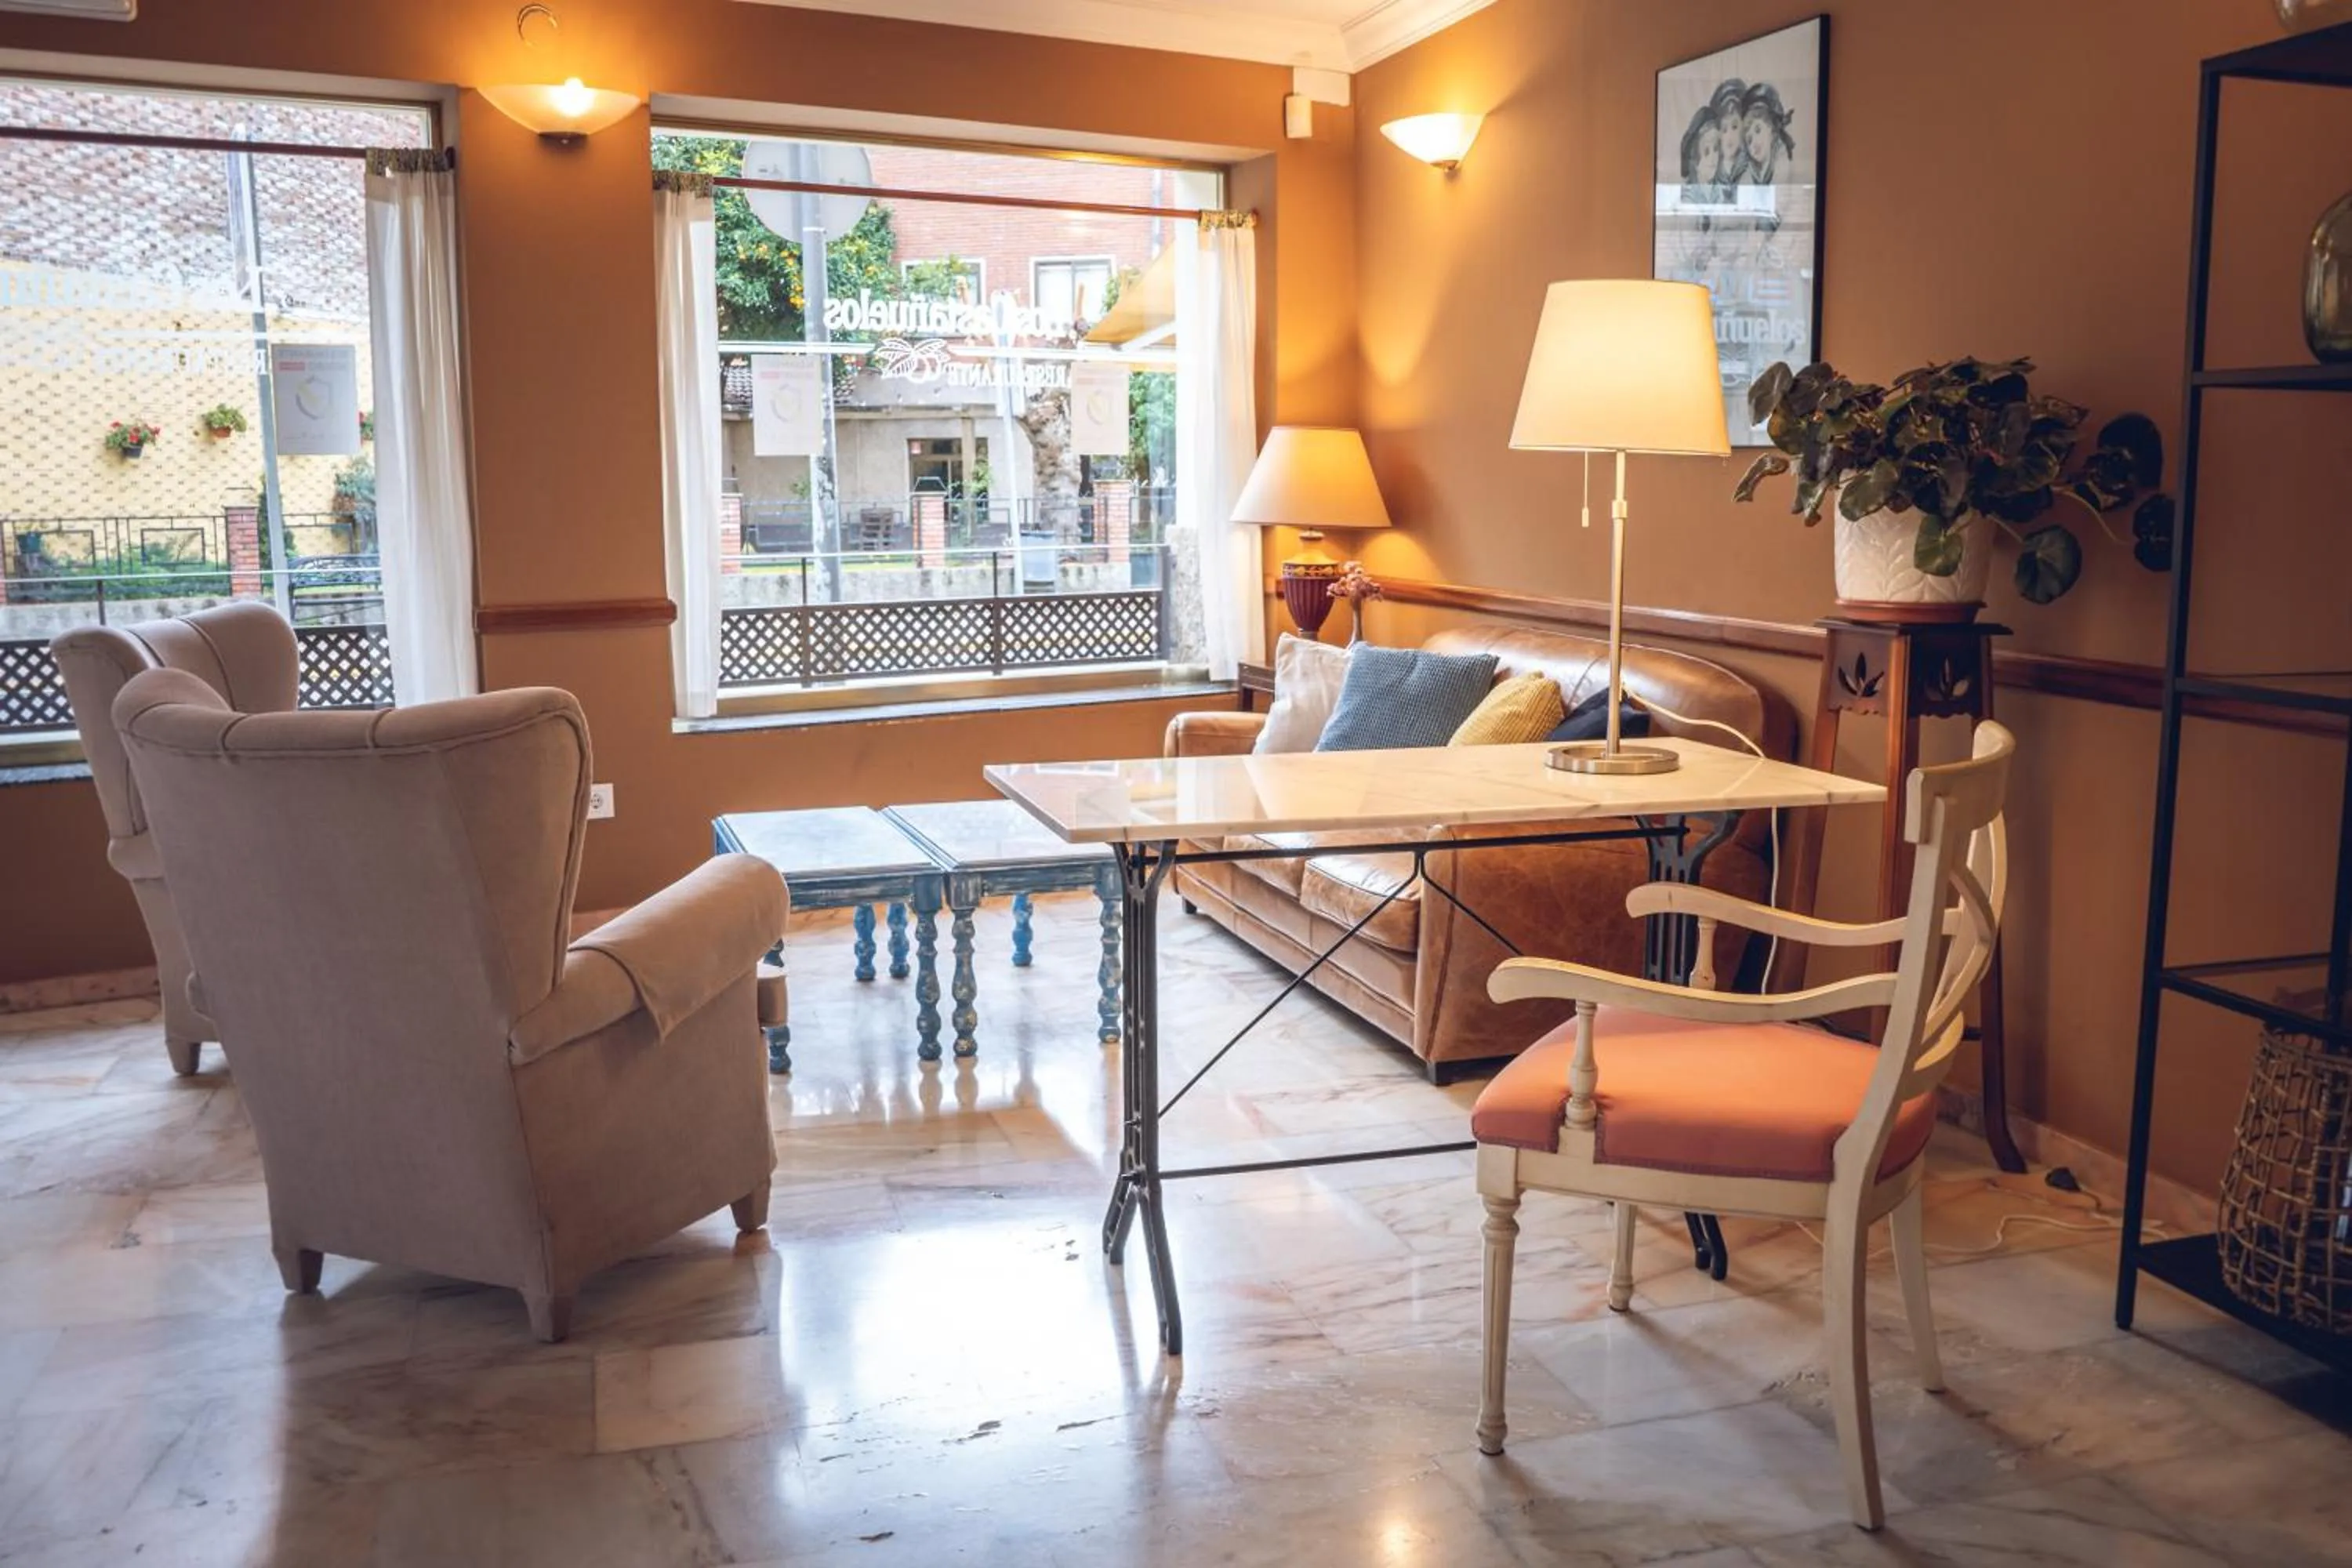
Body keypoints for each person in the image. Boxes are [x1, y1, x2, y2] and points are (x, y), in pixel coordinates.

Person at [1739, 81, 1798, 187]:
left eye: (1758, 130)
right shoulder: (1747, 178)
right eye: (1749, 140)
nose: (1754, 143)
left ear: (1772, 129)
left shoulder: (1785, 168)